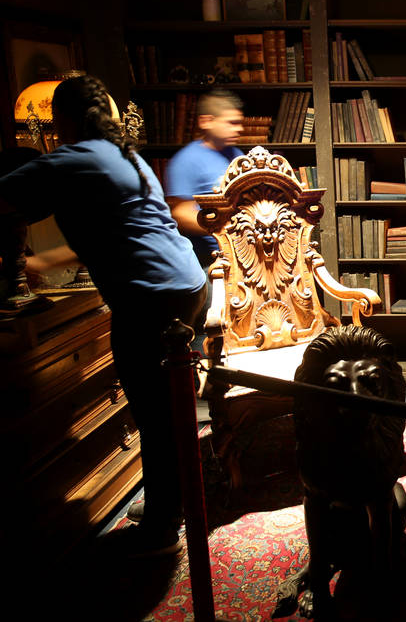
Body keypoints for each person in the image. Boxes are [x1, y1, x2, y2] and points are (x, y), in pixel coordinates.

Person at [0, 75, 206, 557]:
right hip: (188, 286)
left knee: (153, 414)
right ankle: (174, 500)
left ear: (62, 120)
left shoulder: (70, 160)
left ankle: (161, 525)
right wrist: (46, 263)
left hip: (150, 297)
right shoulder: (126, 157)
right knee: (170, 408)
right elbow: (116, 229)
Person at [164, 89, 245, 269]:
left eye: (239, 123)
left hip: (242, 256)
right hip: (210, 262)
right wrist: (229, 226)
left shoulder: (236, 155)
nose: (239, 128)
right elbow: (180, 214)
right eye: (232, 123)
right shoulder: (186, 160)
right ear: (206, 121)